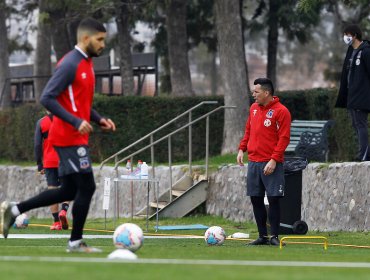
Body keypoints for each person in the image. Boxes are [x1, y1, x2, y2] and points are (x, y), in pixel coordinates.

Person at [0, 18, 116, 253]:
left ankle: (14, 210)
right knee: (88, 187)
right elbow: (47, 98)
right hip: (67, 138)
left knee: (68, 191)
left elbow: (79, 104)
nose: (103, 44)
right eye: (100, 39)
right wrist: (75, 121)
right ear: (86, 39)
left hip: (76, 137)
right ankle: (74, 242)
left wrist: (97, 118)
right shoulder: (70, 64)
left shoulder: (86, 63)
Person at [237, 78, 291, 246]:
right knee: (256, 199)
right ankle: (262, 236)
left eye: (256, 92)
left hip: (271, 162)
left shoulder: (282, 111)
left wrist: (274, 160)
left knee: (274, 199)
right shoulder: (253, 109)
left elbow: (284, 138)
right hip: (254, 162)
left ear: (266, 93)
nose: (253, 95)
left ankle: (274, 236)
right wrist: (241, 149)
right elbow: (248, 130)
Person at [335, 24, 370, 161]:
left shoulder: (366, 51)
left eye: (347, 34)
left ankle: (364, 155)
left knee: (361, 125)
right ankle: (362, 153)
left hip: (362, 96)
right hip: (352, 95)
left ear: (354, 35)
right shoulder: (351, 51)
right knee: (355, 125)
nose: (345, 37)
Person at [34, 113, 69, 230]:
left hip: (49, 161)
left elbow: (37, 145)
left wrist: (39, 164)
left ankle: (56, 222)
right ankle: (63, 211)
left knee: (52, 190)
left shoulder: (41, 122)